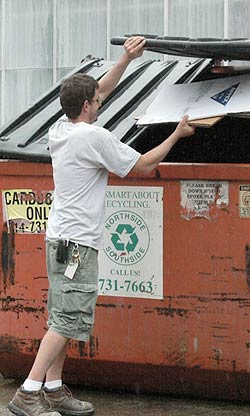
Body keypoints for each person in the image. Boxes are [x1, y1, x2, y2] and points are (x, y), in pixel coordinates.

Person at [8, 36, 195, 416]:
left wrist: (126, 58)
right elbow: (142, 167)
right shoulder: (93, 137)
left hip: (61, 238)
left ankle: (55, 390)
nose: (101, 101)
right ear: (87, 106)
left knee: (64, 315)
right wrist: (177, 133)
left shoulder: (60, 129)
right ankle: (28, 393)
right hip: (77, 245)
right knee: (66, 320)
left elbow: (101, 88)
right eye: (97, 100)